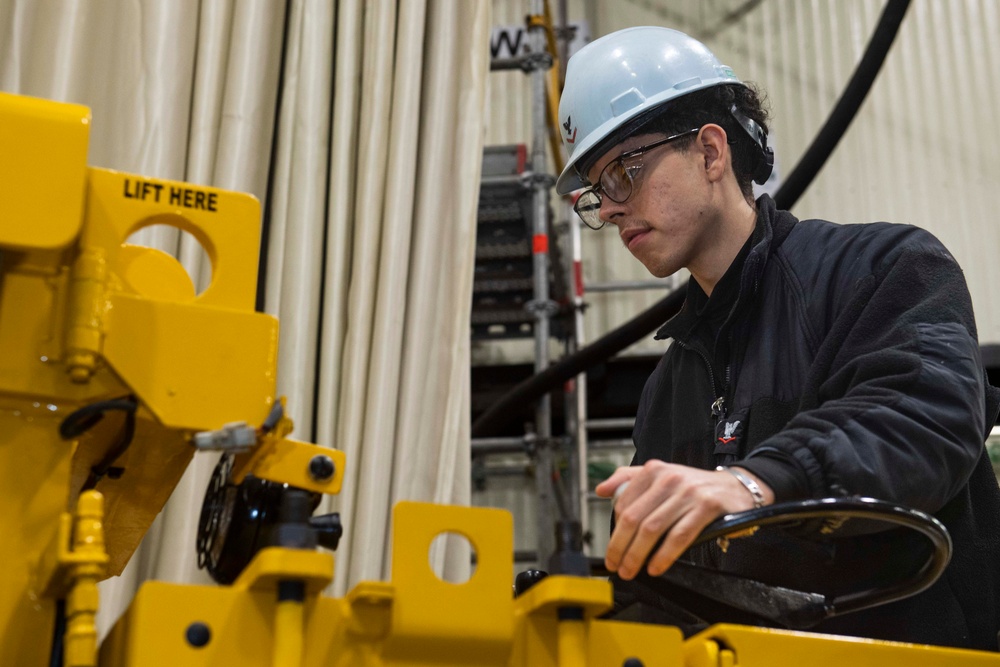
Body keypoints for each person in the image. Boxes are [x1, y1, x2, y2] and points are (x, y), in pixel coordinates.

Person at [555, 25, 1000, 650]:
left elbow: (926, 416)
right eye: (597, 193)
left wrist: (750, 483)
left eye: (624, 173)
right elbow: (668, 590)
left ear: (712, 153)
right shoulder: (669, 389)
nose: (612, 208)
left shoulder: (880, 269)